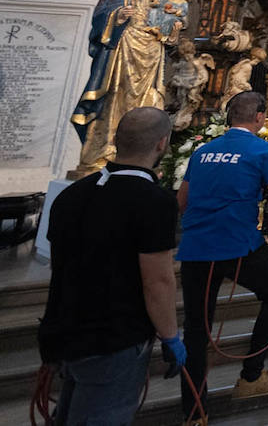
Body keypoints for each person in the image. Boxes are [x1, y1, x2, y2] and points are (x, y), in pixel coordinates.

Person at [38, 107, 183, 425]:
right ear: (162, 144)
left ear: (117, 140)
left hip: (65, 329)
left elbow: (57, 265)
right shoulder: (154, 202)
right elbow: (157, 281)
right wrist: (171, 337)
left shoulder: (71, 195)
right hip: (114, 336)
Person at [178, 92, 268, 416]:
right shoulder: (263, 150)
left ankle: (193, 412)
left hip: (196, 248)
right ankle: (251, 375)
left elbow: (182, 202)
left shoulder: (203, 151)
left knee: (197, 328)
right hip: (237, 244)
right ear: (259, 117)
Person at [71, 0, 173, 174]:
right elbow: (102, 12)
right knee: (116, 93)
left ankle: (141, 156)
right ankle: (105, 149)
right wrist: (118, 16)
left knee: (148, 99)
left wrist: (170, 26)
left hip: (151, 48)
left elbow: (165, 20)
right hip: (124, 43)